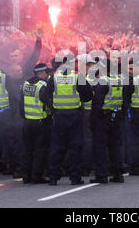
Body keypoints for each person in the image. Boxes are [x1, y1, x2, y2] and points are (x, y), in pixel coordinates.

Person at [43, 54, 93, 185]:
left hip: (59, 116)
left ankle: (53, 177)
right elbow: (88, 95)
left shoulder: (53, 77)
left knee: (57, 147)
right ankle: (75, 177)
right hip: (74, 116)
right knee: (75, 147)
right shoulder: (77, 77)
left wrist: (53, 109)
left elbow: (45, 95)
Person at [89, 67, 127, 183]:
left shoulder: (103, 81)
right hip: (116, 116)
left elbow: (97, 103)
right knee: (116, 146)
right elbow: (125, 100)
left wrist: (92, 121)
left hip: (103, 117)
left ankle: (102, 174)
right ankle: (118, 174)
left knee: (100, 146)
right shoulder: (120, 81)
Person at [20, 63, 51, 184]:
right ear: (40, 73)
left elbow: (21, 105)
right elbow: (49, 103)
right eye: (46, 73)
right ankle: (36, 176)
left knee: (27, 150)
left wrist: (25, 117)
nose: (48, 75)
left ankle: (26, 176)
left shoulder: (25, 84)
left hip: (27, 123)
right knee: (40, 150)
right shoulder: (42, 86)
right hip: (40, 123)